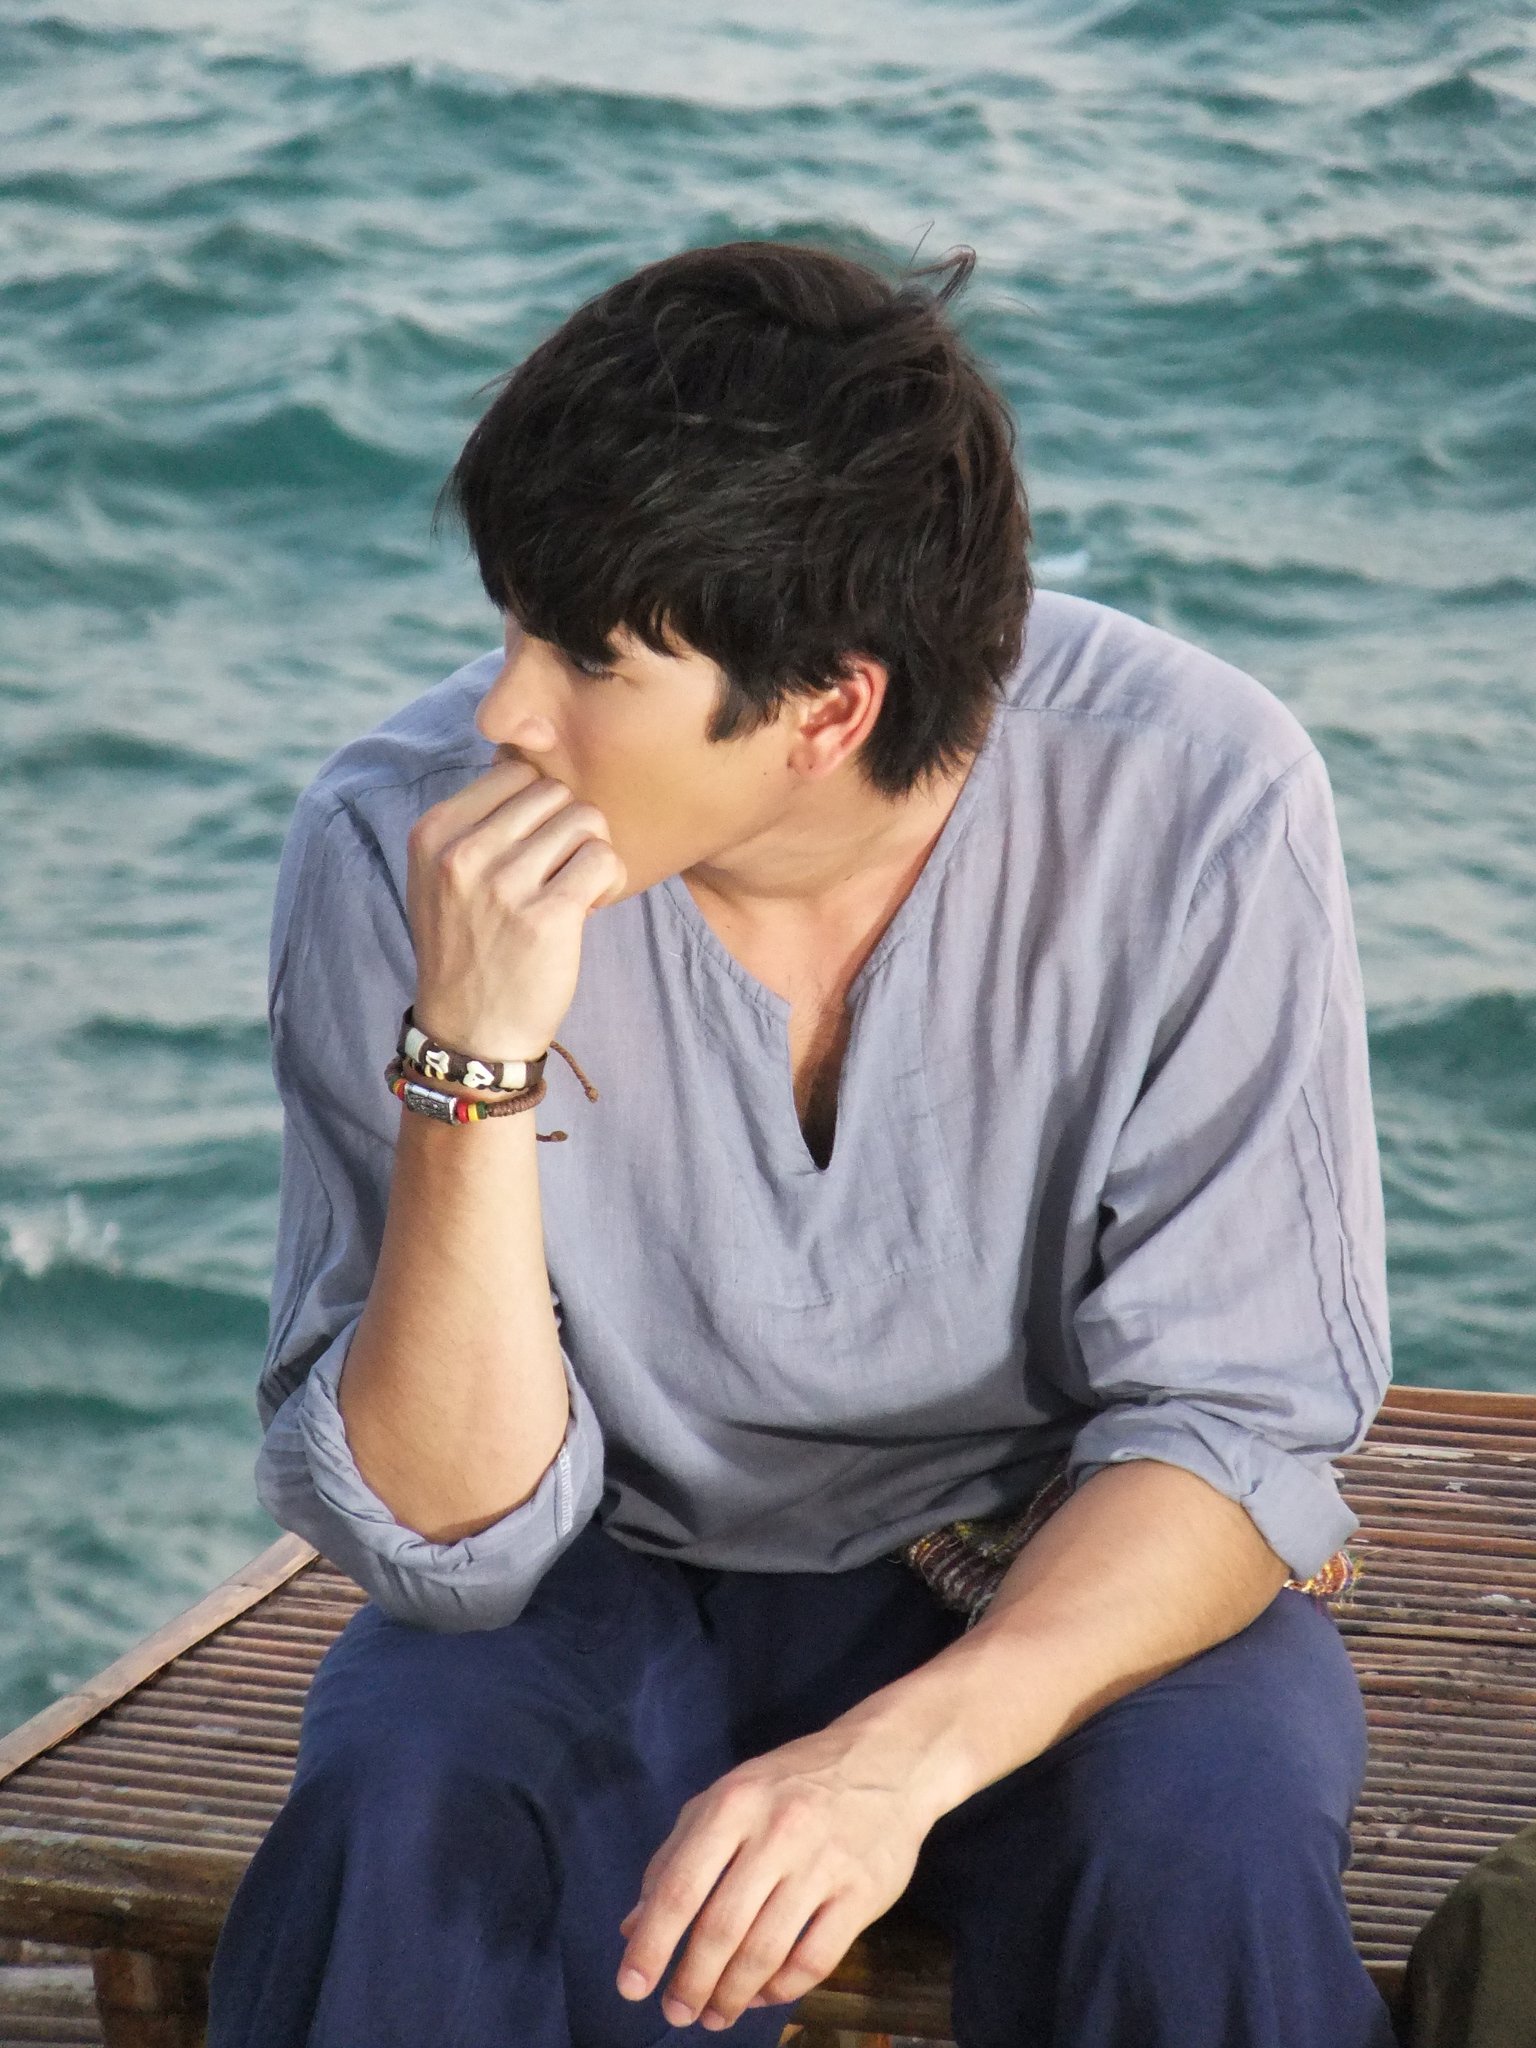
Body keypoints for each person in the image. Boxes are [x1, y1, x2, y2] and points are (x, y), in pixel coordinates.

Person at [206, 239, 1399, 2048]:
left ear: (829, 709)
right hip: (601, 1569)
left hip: (1056, 1554)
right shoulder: (400, 847)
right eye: (511, 625)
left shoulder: (1200, 800)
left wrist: (898, 1758)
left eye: (587, 659)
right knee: (404, 1817)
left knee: (1196, 1857)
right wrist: (470, 1061)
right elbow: (449, 1543)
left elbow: (1235, 1427)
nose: (505, 715)